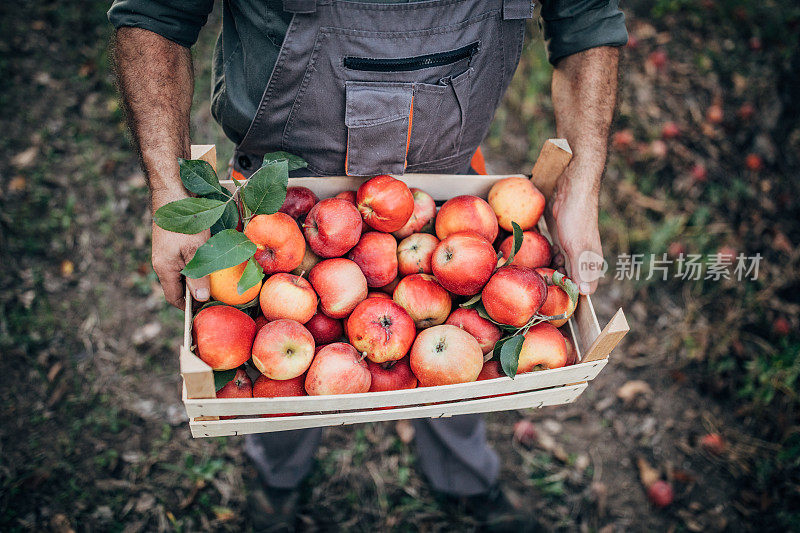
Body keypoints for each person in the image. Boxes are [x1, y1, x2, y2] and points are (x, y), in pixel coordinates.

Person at [109, 0, 627, 527]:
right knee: (273, 386)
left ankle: (464, 477)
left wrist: (580, 190)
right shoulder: (273, 243)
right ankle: (277, 481)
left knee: (462, 370)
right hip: (276, 197)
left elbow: (584, 16)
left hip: (444, 192)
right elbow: (155, 14)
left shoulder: (461, 239)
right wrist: (168, 194)